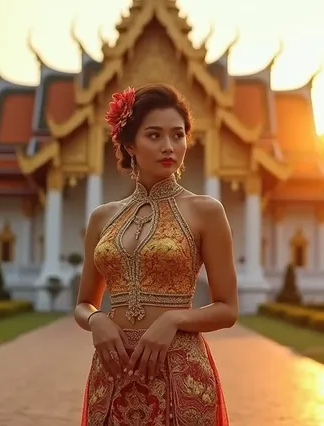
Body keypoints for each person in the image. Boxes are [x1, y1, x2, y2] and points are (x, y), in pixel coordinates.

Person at [74, 83, 238, 425]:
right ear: (130, 144)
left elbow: (227, 308)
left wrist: (174, 319)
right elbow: (83, 303)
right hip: (113, 372)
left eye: (178, 135)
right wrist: (97, 320)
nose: (169, 146)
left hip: (181, 372)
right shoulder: (103, 217)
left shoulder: (206, 211)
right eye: (154, 135)